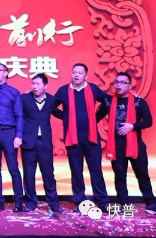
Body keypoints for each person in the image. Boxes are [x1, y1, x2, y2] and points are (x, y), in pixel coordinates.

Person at [54, 63, 109, 212]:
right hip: (72, 139)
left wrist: (96, 117)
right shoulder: (63, 91)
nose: (76, 75)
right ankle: (81, 202)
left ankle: (102, 202)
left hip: (91, 137)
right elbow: (51, 106)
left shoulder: (93, 89)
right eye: (74, 72)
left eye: (80, 73)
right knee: (76, 172)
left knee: (96, 171)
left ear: (86, 75)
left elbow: (108, 102)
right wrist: (65, 117)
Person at [100, 72, 156, 214]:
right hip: (116, 144)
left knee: (142, 174)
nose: (119, 85)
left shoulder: (139, 102)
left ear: (130, 86)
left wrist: (132, 126)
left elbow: (148, 121)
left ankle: (151, 203)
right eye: (117, 82)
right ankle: (125, 204)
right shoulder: (108, 101)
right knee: (120, 176)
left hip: (135, 143)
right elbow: (96, 117)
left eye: (123, 82)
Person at [20, 73, 64, 213]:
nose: (34, 86)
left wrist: (74, 117)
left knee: (48, 174)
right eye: (33, 83)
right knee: (29, 175)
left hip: (44, 143)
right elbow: (17, 116)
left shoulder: (51, 100)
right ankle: (30, 203)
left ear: (45, 86)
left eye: (38, 84)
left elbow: (58, 113)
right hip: (28, 142)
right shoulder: (24, 98)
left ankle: (54, 203)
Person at [0, 63, 24, 212]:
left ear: (6, 73)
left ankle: (18, 202)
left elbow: (19, 115)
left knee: (13, 169)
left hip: (9, 133)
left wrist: (18, 135)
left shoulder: (14, 92)